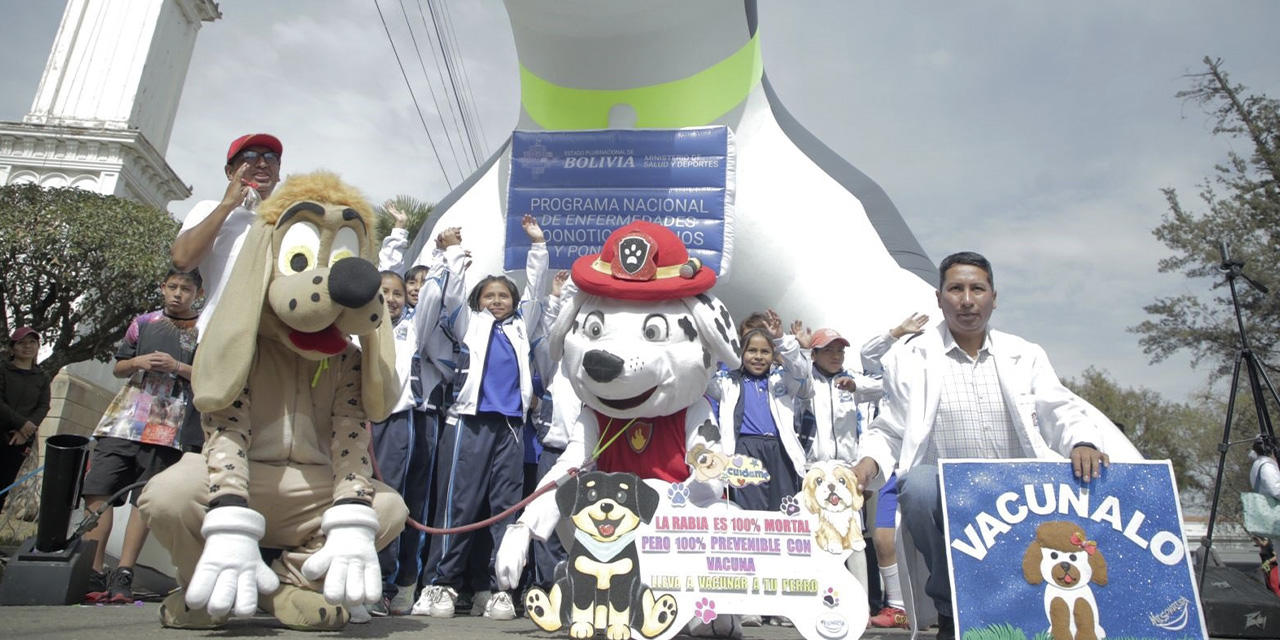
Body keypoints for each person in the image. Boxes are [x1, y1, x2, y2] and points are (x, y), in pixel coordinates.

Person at [851, 252, 1112, 640]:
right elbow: (890, 427)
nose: (967, 299)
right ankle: (950, 606)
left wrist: (1083, 441)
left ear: (994, 297)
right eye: (956, 289)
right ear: (939, 299)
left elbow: (1059, 409)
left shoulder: (1025, 354)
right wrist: (865, 466)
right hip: (947, 489)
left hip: (1018, 489)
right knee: (918, 487)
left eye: (977, 288)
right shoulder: (910, 358)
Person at [418, 216, 551, 621]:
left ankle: (499, 590)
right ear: (479, 301)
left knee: (505, 510)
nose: (497, 301)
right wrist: (454, 253)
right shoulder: (469, 324)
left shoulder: (520, 330)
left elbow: (537, 292)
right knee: (459, 505)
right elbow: (452, 294)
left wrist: (538, 247)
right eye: (490, 295)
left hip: (511, 428)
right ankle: (440, 585)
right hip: (469, 424)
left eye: (503, 296)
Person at [81, 269, 204, 604]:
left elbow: (213, 375)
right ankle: (92, 569)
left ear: (198, 293)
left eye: (186, 289)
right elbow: (119, 366)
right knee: (97, 488)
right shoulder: (143, 322)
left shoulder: (204, 328)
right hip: (124, 419)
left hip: (170, 425)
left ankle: (124, 572)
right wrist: (139, 360)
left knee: (144, 498)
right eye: (173, 287)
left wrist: (177, 366)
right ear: (163, 288)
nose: (178, 294)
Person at [170, 133, 282, 337]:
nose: (262, 163)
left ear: (278, 173)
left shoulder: (288, 221)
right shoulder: (210, 210)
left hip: (270, 342)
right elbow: (182, 260)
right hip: (217, 335)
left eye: (271, 157)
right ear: (230, 172)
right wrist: (227, 204)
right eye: (249, 156)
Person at [859, 313, 928, 630]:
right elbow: (868, 356)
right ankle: (897, 606)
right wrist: (898, 332)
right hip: (891, 471)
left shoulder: (934, 382)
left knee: (925, 542)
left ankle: (930, 607)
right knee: (884, 538)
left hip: (927, 472)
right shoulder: (881, 381)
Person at [707, 310, 811, 513]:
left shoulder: (781, 380)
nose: (758, 357)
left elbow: (801, 372)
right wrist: (720, 345)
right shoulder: (727, 382)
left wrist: (780, 339)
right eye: (751, 351)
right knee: (751, 514)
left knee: (785, 512)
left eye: (765, 352)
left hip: (779, 450)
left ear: (773, 355)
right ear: (741, 353)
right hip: (745, 450)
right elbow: (703, 377)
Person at [0, 327, 51, 515]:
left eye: (32, 342)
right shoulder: (3, 369)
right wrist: (22, 423)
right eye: (21, 343)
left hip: (19, 440)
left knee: (4, 485)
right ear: (12, 348)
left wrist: (25, 431)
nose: (27, 346)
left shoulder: (42, 377)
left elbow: (44, 406)